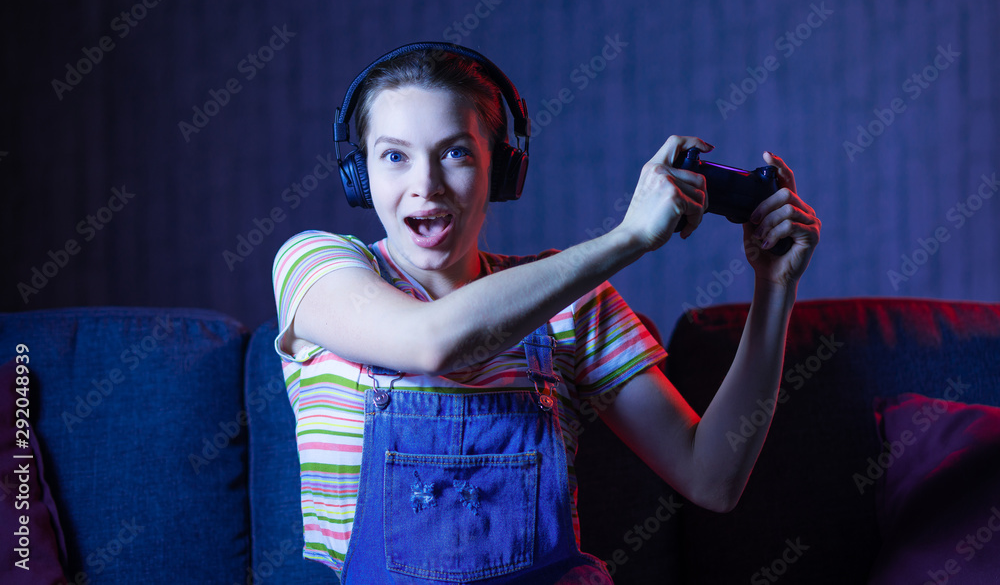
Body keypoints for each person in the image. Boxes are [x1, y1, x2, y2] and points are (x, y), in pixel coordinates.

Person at [271, 44, 821, 584]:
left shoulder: (571, 302)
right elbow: (431, 343)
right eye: (394, 156)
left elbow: (712, 477)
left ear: (501, 170)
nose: (426, 184)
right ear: (360, 173)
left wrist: (775, 289)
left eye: (456, 152)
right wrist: (629, 237)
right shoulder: (315, 266)